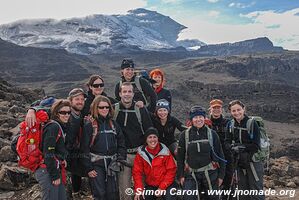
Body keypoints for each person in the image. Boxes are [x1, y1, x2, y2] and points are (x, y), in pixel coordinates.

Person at [80, 95, 126, 200]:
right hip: (96, 164)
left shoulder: (113, 124)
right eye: (101, 107)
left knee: (112, 193)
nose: (104, 109)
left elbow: (121, 142)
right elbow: (84, 148)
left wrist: (121, 158)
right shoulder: (90, 125)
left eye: (107, 107)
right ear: (96, 108)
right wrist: (88, 168)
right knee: (99, 193)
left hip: (112, 163)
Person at [114, 82, 153, 200]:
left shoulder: (140, 110)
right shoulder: (114, 109)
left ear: (133, 93)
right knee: (125, 193)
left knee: (141, 192)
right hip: (123, 156)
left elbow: (149, 131)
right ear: (120, 93)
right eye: (124, 91)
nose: (127, 94)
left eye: (129, 91)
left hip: (139, 155)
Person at [177, 106, 225, 200]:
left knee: (213, 197)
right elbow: (180, 157)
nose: (198, 119)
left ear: (204, 118)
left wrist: (221, 176)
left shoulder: (212, 134)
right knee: (188, 197)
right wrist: (181, 175)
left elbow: (220, 155)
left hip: (210, 173)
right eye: (195, 117)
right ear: (191, 119)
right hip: (191, 173)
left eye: (200, 117)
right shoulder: (184, 135)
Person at [225, 100, 264, 200]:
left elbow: (256, 145)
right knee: (242, 191)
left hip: (253, 161)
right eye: (233, 110)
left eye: (239, 109)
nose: (236, 112)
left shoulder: (251, 123)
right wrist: (232, 147)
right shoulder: (230, 124)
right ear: (230, 112)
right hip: (239, 161)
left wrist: (241, 147)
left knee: (256, 190)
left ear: (244, 109)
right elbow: (227, 142)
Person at [34, 99, 71, 200]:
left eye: (68, 112)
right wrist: (54, 175)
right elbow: (48, 153)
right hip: (47, 171)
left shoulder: (59, 126)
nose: (67, 115)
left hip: (53, 168)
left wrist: (62, 159)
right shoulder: (53, 127)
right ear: (56, 113)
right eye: (63, 112)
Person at [133, 127, 177, 200]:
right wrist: (139, 189)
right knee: (144, 197)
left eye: (154, 137)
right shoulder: (141, 153)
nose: (152, 140)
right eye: (150, 137)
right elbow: (137, 172)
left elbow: (171, 170)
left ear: (157, 138)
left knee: (170, 197)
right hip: (151, 185)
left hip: (167, 184)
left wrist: (162, 187)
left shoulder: (165, 151)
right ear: (146, 139)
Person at [208, 99, 233, 196]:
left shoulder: (228, 123)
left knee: (227, 179)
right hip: (211, 156)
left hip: (226, 155)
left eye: (218, 108)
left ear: (221, 109)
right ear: (211, 109)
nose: (216, 110)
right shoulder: (206, 123)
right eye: (214, 108)